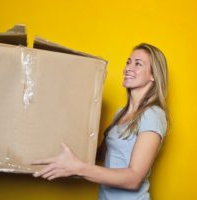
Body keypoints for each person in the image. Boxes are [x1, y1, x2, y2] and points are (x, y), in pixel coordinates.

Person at [32, 43, 169, 200]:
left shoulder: (152, 114)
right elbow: (99, 155)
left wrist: (79, 168)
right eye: (128, 62)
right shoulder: (120, 113)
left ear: (153, 75)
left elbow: (134, 179)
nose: (128, 68)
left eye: (138, 64)